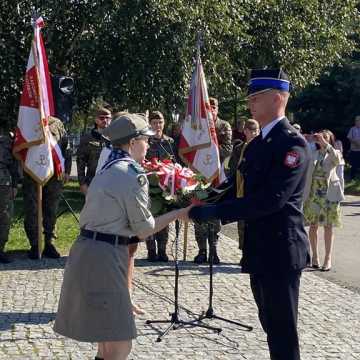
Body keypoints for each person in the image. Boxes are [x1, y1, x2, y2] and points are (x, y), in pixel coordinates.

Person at [188, 69, 310, 360]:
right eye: (250, 97)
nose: (250, 103)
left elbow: (272, 200)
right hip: (259, 247)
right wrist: (200, 199)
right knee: (270, 323)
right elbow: (236, 186)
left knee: (282, 330)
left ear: (279, 98)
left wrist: (216, 212)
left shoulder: (291, 145)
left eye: (257, 97)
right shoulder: (256, 145)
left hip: (281, 249)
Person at [54, 113, 189, 360]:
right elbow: (144, 230)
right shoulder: (130, 174)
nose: (148, 144)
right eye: (145, 139)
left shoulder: (109, 167)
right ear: (133, 142)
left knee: (106, 342)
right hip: (105, 257)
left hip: (89, 252)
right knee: (119, 343)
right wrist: (179, 212)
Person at [23, 116, 72, 259]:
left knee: (51, 210)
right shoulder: (29, 118)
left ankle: (49, 243)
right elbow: (20, 145)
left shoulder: (57, 123)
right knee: (32, 210)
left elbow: (66, 148)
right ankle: (35, 244)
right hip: (32, 175)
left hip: (54, 176)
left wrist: (67, 170)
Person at [193, 97, 232, 264]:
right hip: (200, 175)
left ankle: (214, 251)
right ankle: (201, 251)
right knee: (199, 211)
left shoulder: (224, 126)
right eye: (208, 107)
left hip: (217, 175)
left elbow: (228, 148)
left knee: (215, 213)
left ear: (217, 109)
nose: (211, 110)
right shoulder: (198, 126)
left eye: (213, 107)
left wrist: (211, 150)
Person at [303, 130, 344, 272]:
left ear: (330, 140)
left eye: (325, 138)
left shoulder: (334, 152)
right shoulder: (312, 152)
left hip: (329, 194)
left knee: (328, 226)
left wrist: (326, 144)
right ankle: (315, 256)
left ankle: (328, 258)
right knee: (313, 226)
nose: (320, 140)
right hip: (314, 193)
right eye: (319, 137)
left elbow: (338, 160)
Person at [145, 111, 176, 262]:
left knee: (164, 217)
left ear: (164, 123)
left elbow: (176, 163)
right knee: (149, 217)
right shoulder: (146, 141)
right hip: (149, 186)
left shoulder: (170, 142)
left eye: (160, 122)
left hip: (165, 186)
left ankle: (162, 250)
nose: (158, 125)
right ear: (150, 124)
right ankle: (151, 250)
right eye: (155, 122)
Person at [227, 119, 260, 253]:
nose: (254, 134)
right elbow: (233, 168)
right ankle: (244, 251)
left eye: (256, 131)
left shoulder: (262, 147)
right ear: (245, 131)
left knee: (256, 222)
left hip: (256, 190)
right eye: (251, 131)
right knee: (242, 223)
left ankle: (256, 251)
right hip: (241, 189)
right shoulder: (239, 148)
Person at [76, 107, 111, 194]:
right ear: (96, 120)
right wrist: (82, 184)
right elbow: (80, 162)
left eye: (108, 118)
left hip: (111, 182)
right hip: (92, 181)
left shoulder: (115, 138)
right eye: (102, 118)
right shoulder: (87, 138)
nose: (105, 120)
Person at [0, 129, 20, 263]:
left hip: (4, 183)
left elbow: (14, 163)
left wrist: (15, 185)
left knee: (5, 216)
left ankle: (0, 249)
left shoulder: (7, 138)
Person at [347, 115, 360, 180]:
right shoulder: (352, 129)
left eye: (358, 120)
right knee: (354, 165)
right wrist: (356, 143)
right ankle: (352, 178)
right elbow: (349, 137)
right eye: (356, 120)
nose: (357, 121)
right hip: (354, 150)